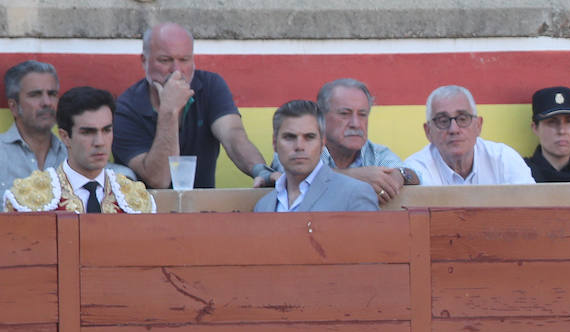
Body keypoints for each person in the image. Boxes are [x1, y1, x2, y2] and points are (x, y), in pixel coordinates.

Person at [113, 22, 269, 189]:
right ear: (144, 61)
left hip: (202, 207)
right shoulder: (126, 108)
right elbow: (158, 180)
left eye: (184, 60)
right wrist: (169, 111)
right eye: (165, 60)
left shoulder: (210, 85)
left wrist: (261, 171)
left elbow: (233, 136)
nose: (176, 70)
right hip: (148, 211)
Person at [5, 86, 154, 213]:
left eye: (106, 130)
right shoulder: (28, 200)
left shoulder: (135, 199)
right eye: (87, 132)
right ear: (65, 137)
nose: (100, 142)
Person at [269, 78, 416, 205]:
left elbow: (414, 175)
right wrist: (356, 176)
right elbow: (293, 177)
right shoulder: (298, 148)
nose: (356, 124)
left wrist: (400, 175)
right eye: (345, 114)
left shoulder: (377, 153)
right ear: (321, 116)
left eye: (362, 114)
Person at [253, 100, 378, 213]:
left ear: (322, 143)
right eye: (289, 137)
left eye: (309, 137)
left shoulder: (354, 194)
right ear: (275, 144)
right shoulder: (263, 206)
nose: (299, 146)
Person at [402, 85, 534, 185]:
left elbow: (531, 208)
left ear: (478, 125)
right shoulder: (416, 170)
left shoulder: (503, 159)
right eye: (443, 121)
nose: (454, 129)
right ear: (428, 132)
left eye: (463, 119)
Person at [2, 61, 66, 195]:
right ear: (14, 106)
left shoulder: (71, 154)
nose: (47, 103)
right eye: (35, 95)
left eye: (52, 94)